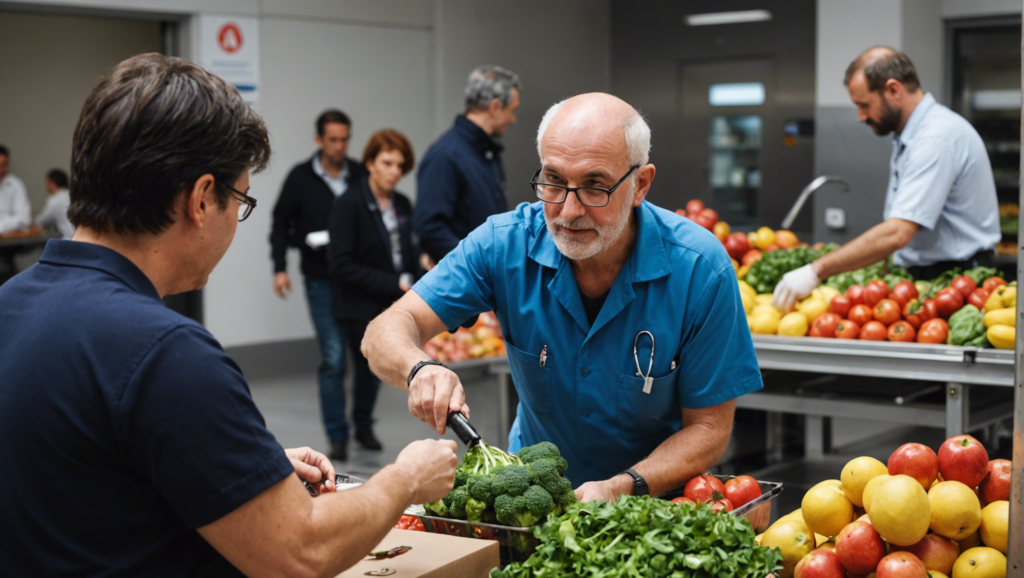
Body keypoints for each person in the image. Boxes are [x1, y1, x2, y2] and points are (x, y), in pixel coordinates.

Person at [0, 53, 457, 577]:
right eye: (240, 199)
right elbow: (300, 553)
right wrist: (403, 480)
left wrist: (234, 471)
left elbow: (79, 476)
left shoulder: (11, 301)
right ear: (200, 199)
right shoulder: (166, 352)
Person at [363, 93, 763, 503]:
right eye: (553, 181)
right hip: (535, 500)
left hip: (655, 509)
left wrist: (622, 487)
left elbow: (710, 429)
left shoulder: (700, 268)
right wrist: (419, 369)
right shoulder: (504, 244)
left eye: (594, 186)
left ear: (640, 184)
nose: (568, 211)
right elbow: (384, 331)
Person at [773, 47, 1000, 310]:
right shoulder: (910, 134)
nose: (860, 117)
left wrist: (816, 271)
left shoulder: (934, 138)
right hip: (931, 276)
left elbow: (897, 233)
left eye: (864, 105)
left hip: (958, 282)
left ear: (893, 90)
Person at [270, 109, 368, 461]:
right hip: (320, 278)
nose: (340, 146)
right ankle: (338, 436)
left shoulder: (359, 174)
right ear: (318, 140)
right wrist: (279, 268)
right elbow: (280, 222)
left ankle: (363, 425)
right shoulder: (300, 178)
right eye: (333, 140)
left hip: (357, 280)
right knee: (332, 358)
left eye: (345, 139)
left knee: (367, 354)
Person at [327, 129, 420, 456]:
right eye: (387, 162)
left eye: (400, 165)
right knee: (343, 366)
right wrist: (393, 283)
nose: (394, 171)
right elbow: (340, 265)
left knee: (372, 374)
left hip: (392, 301)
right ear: (369, 163)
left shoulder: (403, 203)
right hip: (358, 302)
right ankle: (338, 435)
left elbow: (410, 250)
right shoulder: (348, 203)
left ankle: (363, 426)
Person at [414, 65, 520, 266]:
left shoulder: (487, 151)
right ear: (495, 107)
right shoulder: (445, 155)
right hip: (465, 282)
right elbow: (429, 227)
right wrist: (476, 263)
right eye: (512, 110)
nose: (513, 120)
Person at [0, 145, 31, 234]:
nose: (1, 169)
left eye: (4, 165)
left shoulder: (16, 185)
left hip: (9, 242)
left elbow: (24, 219)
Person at [36, 168, 74, 239]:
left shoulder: (55, 199)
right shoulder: (74, 195)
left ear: (51, 183)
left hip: (69, 239)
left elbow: (42, 221)